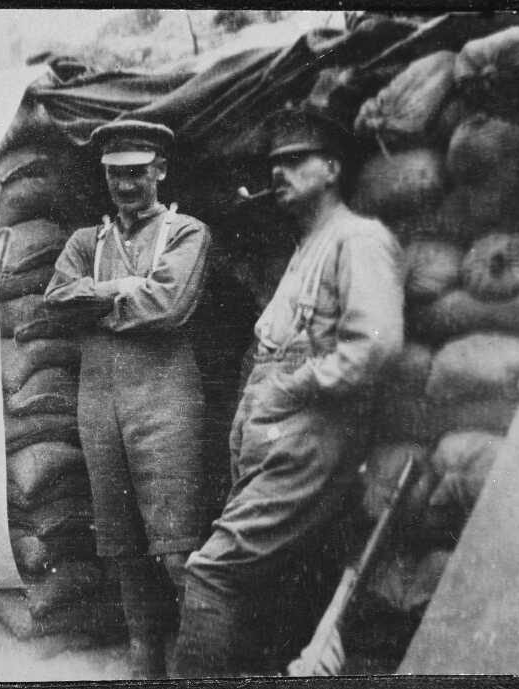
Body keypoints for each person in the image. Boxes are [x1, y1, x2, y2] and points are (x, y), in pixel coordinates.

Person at [171, 105, 404, 676]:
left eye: (296, 161)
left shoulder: (358, 239)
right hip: (279, 443)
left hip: (315, 439)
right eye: (275, 163)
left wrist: (293, 388)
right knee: (270, 591)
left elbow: (374, 345)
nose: (279, 172)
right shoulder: (308, 247)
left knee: (211, 571)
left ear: (331, 169)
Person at [44, 120, 219, 679]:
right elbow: (55, 300)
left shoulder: (186, 232)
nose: (126, 185)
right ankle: (146, 660)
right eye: (116, 174)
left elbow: (169, 306)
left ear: (160, 171)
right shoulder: (84, 242)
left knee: (175, 545)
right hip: (99, 402)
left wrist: (96, 304)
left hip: (165, 402)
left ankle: (198, 662)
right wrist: (121, 290)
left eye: (137, 173)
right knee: (121, 545)